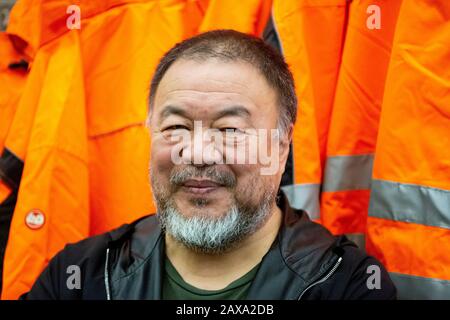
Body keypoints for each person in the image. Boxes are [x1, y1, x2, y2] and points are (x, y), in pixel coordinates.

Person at [22, 30, 396, 300]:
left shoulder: (345, 285)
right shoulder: (81, 276)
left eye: (230, 129)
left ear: (282, 148)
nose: (199, 153)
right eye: (177, 127)